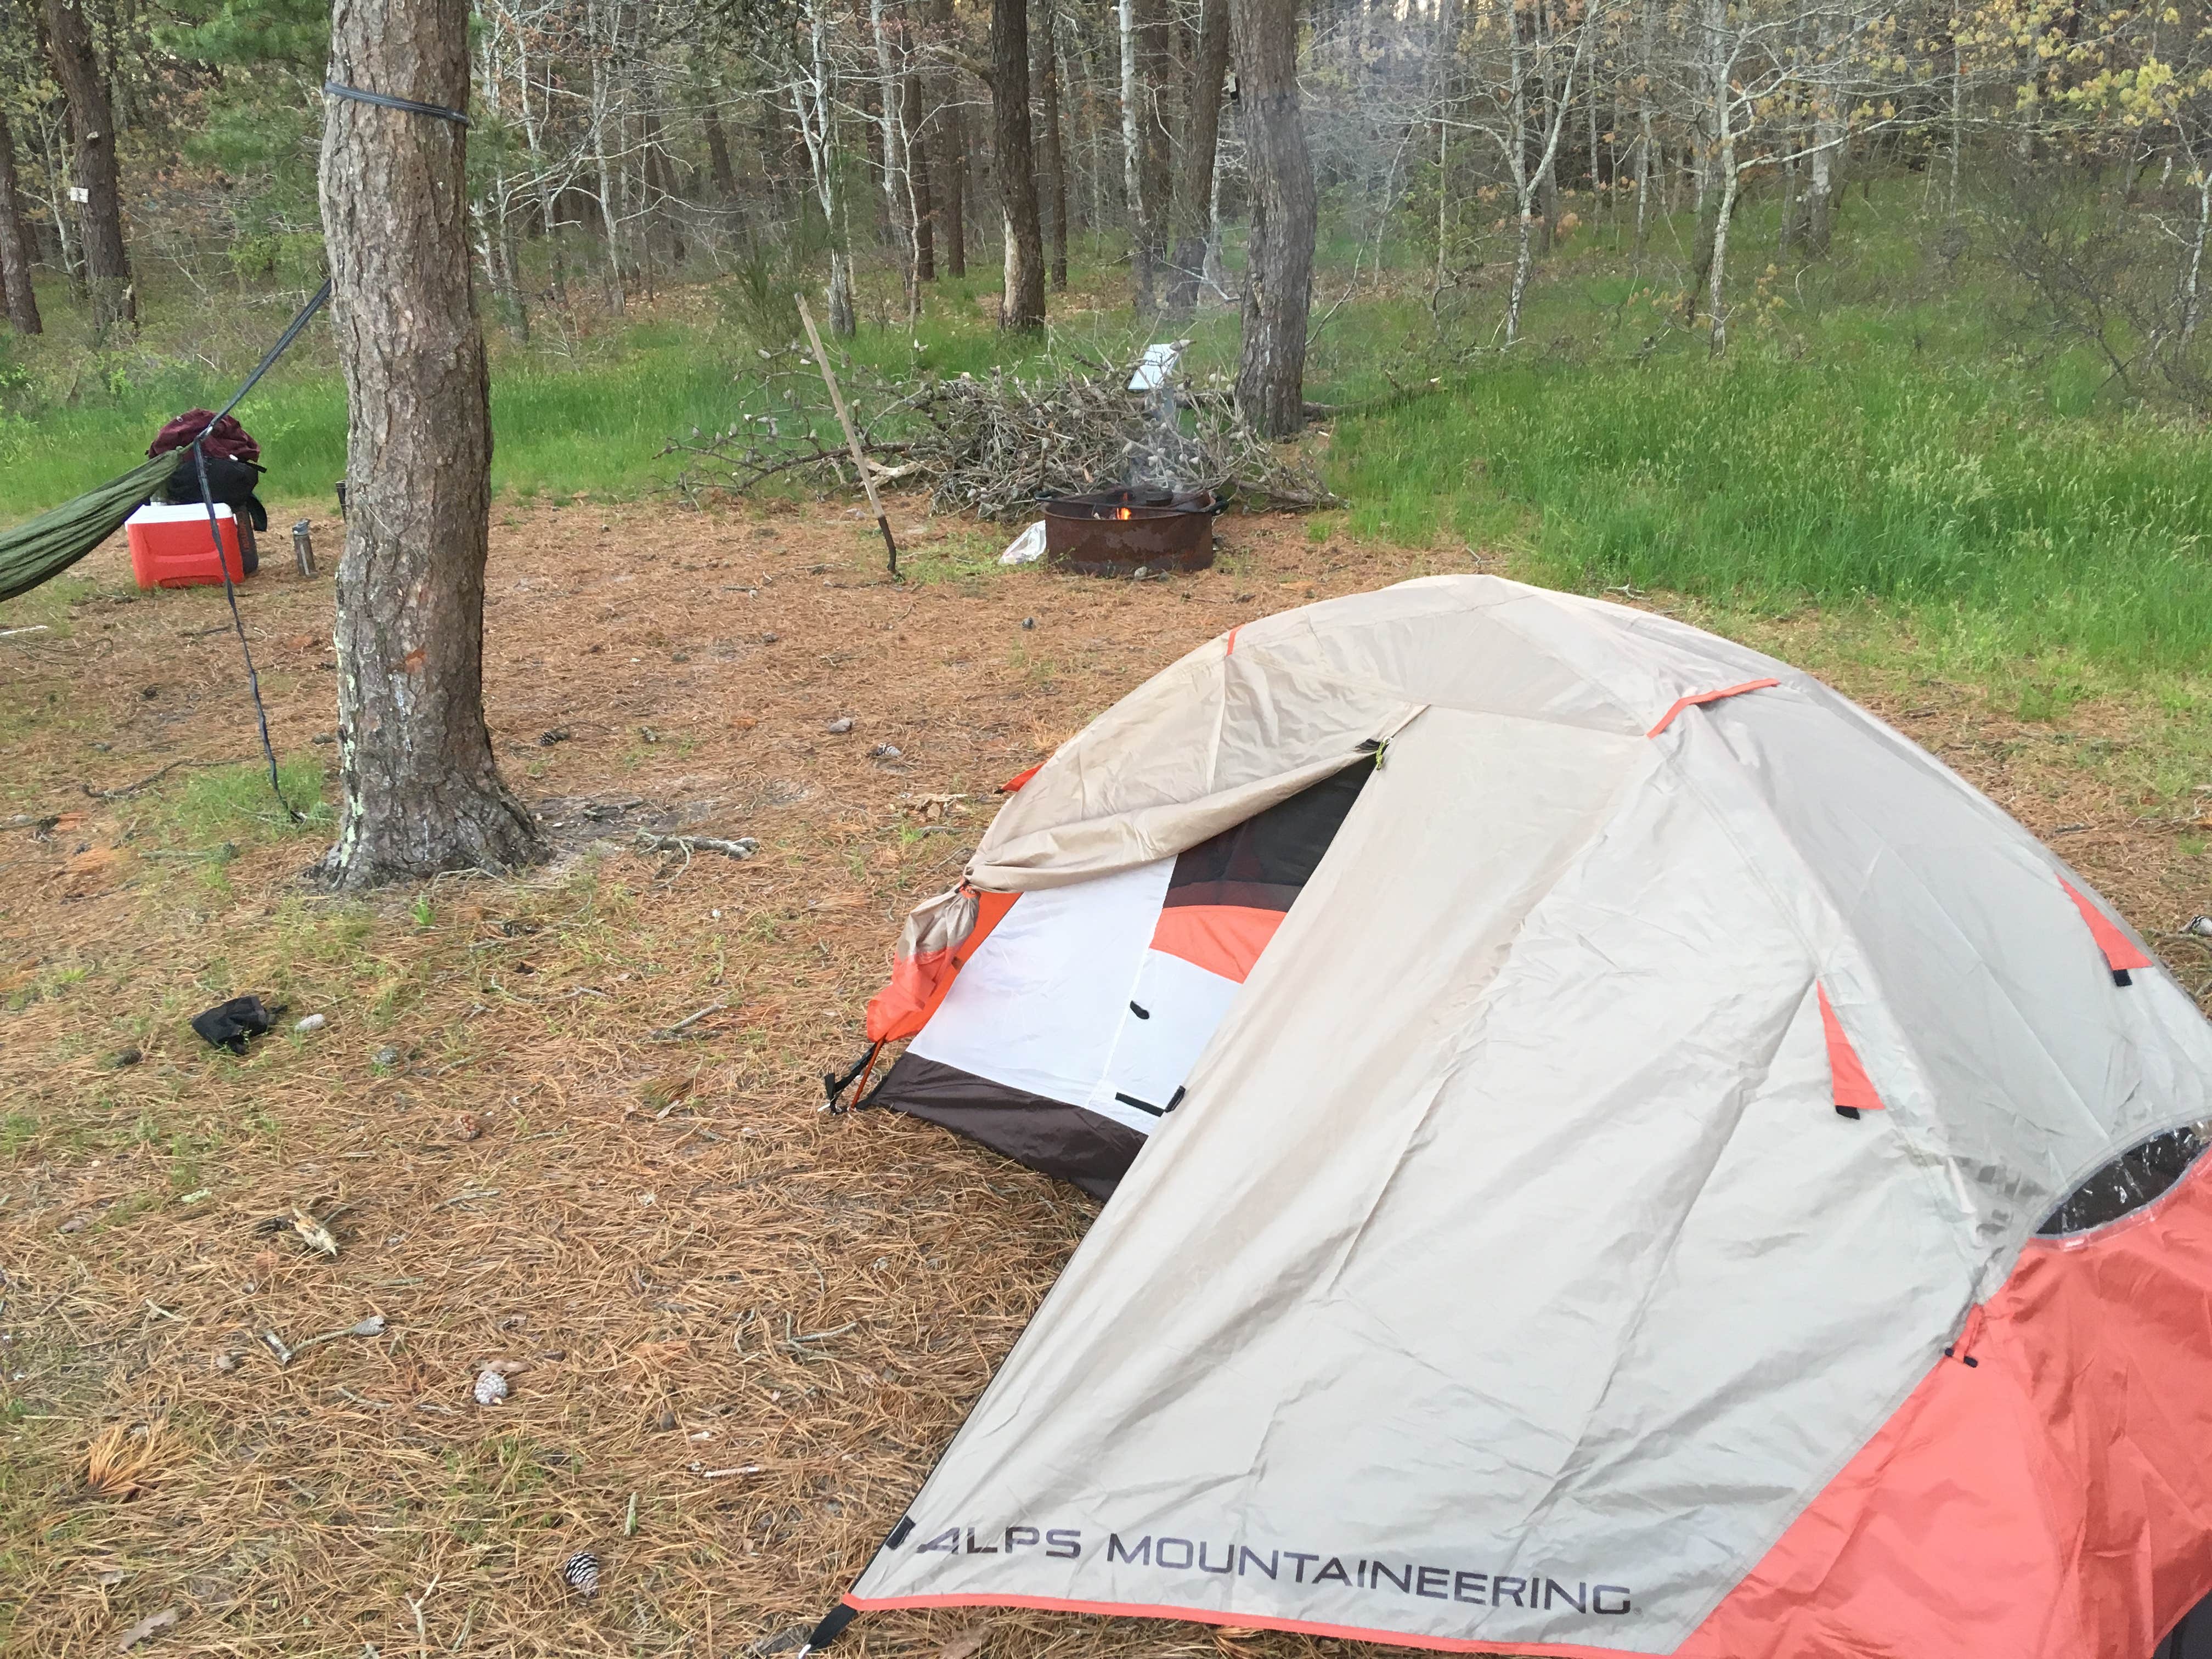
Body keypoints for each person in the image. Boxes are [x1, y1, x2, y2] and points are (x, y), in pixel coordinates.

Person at [148, 410, 268, 571]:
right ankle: (237, 562)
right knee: (235, 494)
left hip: (198, 482)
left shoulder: (167, 464)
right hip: (219, 480)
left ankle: (228, 562)